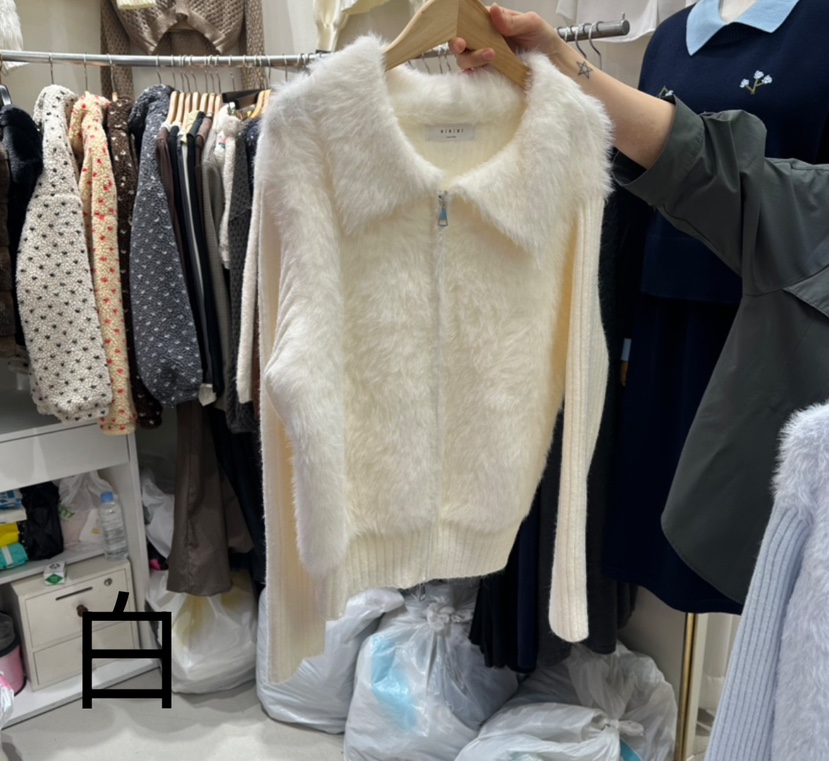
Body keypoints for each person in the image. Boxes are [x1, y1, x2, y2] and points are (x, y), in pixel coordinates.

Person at [452, 3, 829, 663]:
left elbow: (787, 196)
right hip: (660, 319)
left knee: (756, 547)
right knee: (666, 525)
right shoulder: (673, 36)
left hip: (769, 330)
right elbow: (635, 189)